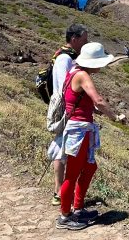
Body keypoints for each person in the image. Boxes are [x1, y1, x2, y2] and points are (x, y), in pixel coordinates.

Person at [55, 42, 120, 231]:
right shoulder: (83, 75)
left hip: (81, 127)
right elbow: (98, 100)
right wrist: (115, 116)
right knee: (73, 174)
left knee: (90, 166)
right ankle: (65, 216)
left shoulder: (75, 72)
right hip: (79, 130)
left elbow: (78, 100)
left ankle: (78, 207)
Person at [47, 23, 87, 205]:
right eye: (84, 40)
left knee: (63, 147)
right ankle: (59, 191)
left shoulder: (65, 55)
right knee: (61, 148)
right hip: (65, 107)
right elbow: (66, 85)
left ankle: (61, 191)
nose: (86, 43)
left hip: (66, 106)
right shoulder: (65, 59)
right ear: (74, 39)